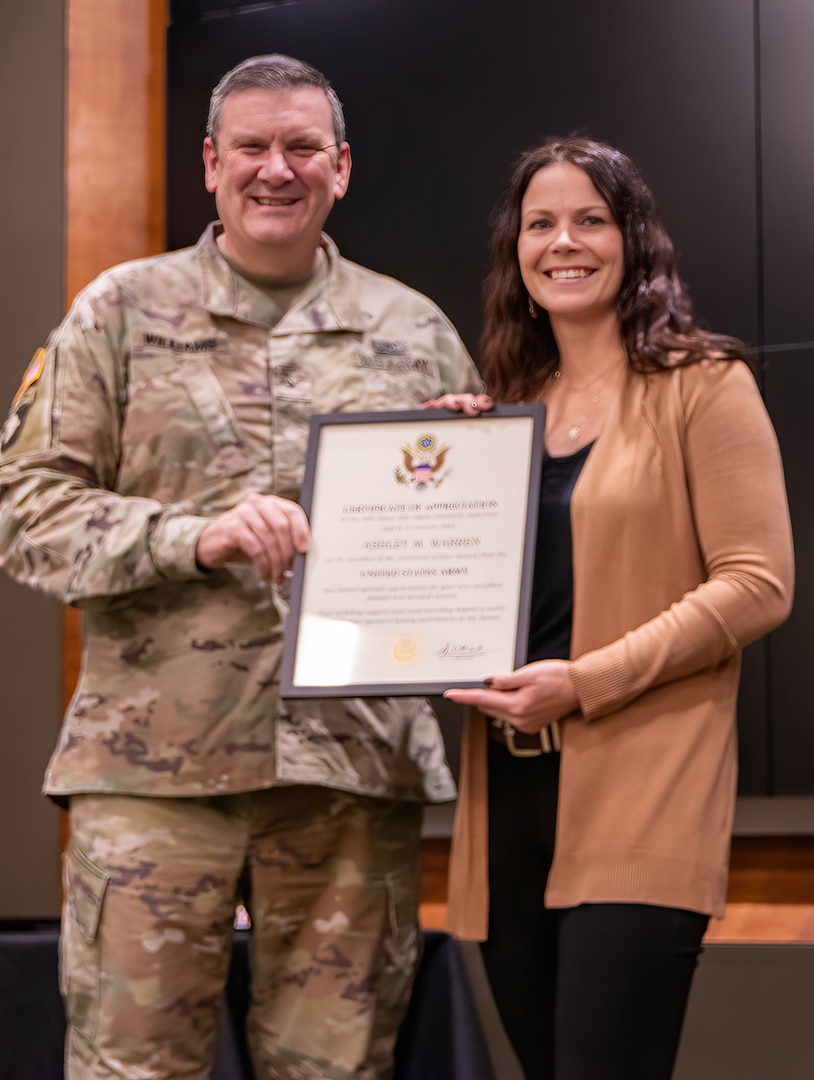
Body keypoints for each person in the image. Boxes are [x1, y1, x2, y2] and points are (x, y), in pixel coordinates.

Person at [0, 54, 479, 1079]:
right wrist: (196, 535)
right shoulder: (120, 312)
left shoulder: (415, 334)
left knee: (336, 1070)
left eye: (303, 147)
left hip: (352, 774)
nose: (278, 169)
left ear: (340, 167)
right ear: (212, 164)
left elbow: (470, 541)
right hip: (156, 773)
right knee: (133, 1068)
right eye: (252, 147)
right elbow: (28, 511)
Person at [432, 137, 793, 1079]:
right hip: (505, 800)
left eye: (590, 219)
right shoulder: (502, 411)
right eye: (541, 222)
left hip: (643, 788)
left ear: (634, 237)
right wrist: (438, 475)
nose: (565, 242)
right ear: (516, 248)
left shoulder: (704, 384)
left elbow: (758, 583)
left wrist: (584, 683)